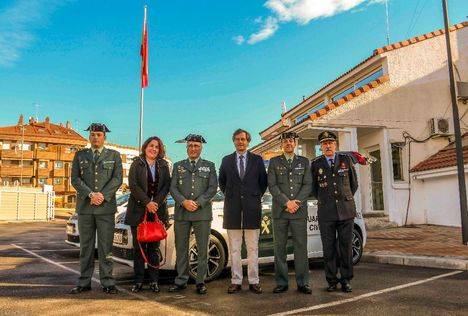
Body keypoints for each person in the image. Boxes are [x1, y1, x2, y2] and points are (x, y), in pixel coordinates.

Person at [70, 123, 123, 294]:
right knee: (85, 247)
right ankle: (84, 282)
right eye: (93, 134)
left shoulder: (114, 155)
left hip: (106, 208)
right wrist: (91, 194)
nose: (95, 137)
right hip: (85, 208)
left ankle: (108, 282)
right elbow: (75, 179)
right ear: (89, 137)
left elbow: (117, 179)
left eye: (99, 135)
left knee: (105, 247)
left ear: (104, 137)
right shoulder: (80, 155)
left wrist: (102, 195)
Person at [218, 129, 268, 294]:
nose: (240, 142)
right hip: (232, 210)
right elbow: (222, 183)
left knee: (253, 249)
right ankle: (236, 281)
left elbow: (263, 183)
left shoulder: (257, 160)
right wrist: (234, 198)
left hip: (252, 210)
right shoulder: (226, 161)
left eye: (243, 139)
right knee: (234, 250)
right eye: (238, 139)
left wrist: (252, 197)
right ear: (234, 141)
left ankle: (254, 281)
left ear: (248, 142)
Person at [168, 134, 218, 295]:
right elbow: (173, 188)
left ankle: (200, 281)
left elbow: (212, 188)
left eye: (196, 145)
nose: (193, 148)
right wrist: (184, 202)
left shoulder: (209, 166)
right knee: (181, 248)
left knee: (202, 248)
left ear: (201, 147)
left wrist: (198, 202)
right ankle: (181, 280)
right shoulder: (178, 166)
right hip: (182, 213)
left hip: (202, 213)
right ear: (186, 148)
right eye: (190, 146)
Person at [311, 131, 358, 293]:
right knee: (329, 248)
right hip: (326, 213)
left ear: (335, 144)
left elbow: (353, 184)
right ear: (321, 147)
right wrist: (327, 200)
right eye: (324, 143)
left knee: (346, 247)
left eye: (331, 142)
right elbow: (314, 190)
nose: (328, 145)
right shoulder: (316, 164)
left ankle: (346, 280)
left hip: (346, 211)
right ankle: (331, 280)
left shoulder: (346, 160)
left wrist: (345, 199)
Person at [268, 131, 312, 294]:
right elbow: (272, 186)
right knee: (279, 249)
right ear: (282, 144)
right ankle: (282, 282)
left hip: (298, 212)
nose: (288, 143)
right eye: (285, 141)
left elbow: (307, 185)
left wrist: (296, 203)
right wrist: (286, 202)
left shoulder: (304, 162)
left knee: (301, 248)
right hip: (281, 211)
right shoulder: (274, 162)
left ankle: (303, 282)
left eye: (291, 140)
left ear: (296, 143)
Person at [124, 136, 171, 293]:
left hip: (157, 212)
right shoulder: (137, 163)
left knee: (153, 249)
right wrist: (147, 203)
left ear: (160, 150)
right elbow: (134, 185)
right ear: (145, 147)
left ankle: (154, 281)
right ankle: (138, 281)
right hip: (138, 211)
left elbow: (166, 186)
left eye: (157, 147)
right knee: (139, 249)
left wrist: (155, 203)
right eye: (151, 146)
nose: (154, 149)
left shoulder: (163, 165)